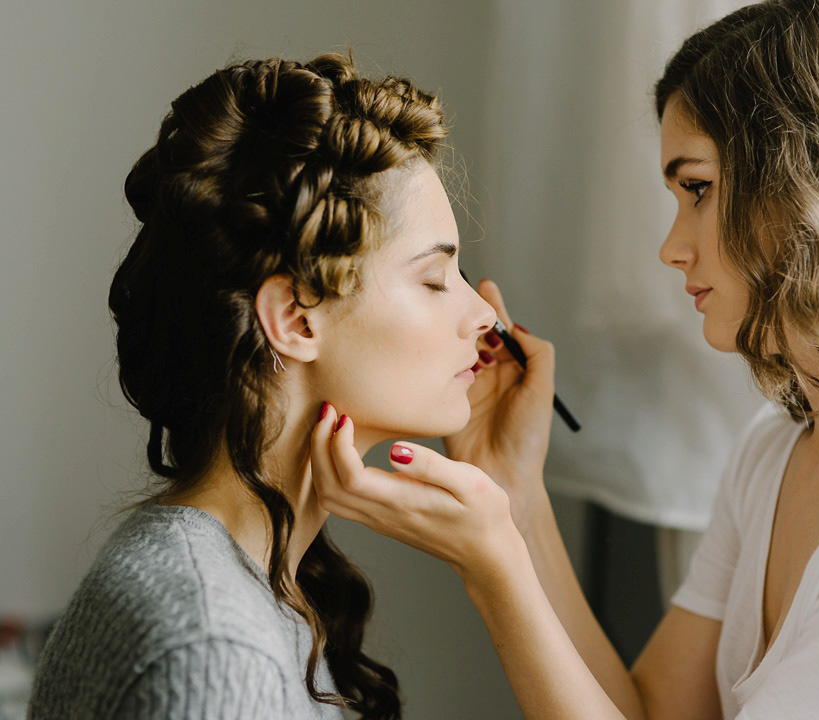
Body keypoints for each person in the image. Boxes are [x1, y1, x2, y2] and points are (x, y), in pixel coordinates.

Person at [311, 1, 819, 718]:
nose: (671, 248)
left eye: (699, 190)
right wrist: (517, 500)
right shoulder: (779, 448)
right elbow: (650, 712)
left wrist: (496, 569)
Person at [27, 53, 499, 719]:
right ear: (295, 319)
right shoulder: (214, 652)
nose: (486, 317)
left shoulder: (251, 584)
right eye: (432, 279)